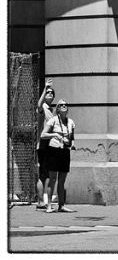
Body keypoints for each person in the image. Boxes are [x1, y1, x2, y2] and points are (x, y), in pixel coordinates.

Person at [40, 99, 75, 213]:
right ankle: (49, 206)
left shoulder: (70, 122)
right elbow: (43, 135)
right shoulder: (53, 120)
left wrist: (72, 144)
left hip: (65, 151)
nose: (64, 106)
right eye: (61, 105)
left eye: (66, 105)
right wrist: (55, 134)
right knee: (52, 179)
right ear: (58, 109)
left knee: (62, 180)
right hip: (54, 151)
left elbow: (72, 137)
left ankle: (61, 205)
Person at [36, 80, 55, 210]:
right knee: (43, 174)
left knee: (48, 173)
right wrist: (45, 88)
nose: (49, 94)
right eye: (47, 93)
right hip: (43, 144)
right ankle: (40, 201)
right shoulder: (43, 107)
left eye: (51, 93)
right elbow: (38, 104)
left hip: (51, 144)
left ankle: (45, 200)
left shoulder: (52, 110)